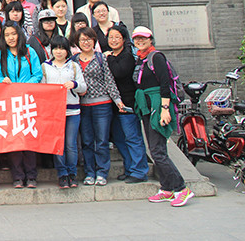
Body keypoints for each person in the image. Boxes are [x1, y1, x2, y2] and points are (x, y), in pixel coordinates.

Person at [131, 26, 193, 206]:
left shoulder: (156, 57)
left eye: (143, 38)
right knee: (156, 150)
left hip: (158, 105)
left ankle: (181, 188)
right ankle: (167, 189)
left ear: (151, 39)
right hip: (147, 106)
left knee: (157, 151)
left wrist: (165, 109)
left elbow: (165, 83)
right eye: (136, 38)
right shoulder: (141, 59)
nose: (140, 41)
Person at [72, 27, 125, 187]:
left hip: (102, 105)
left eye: (89, 39)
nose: (86, 42)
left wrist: (117, 100)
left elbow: (109, 81)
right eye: (82, 40)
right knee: (87, 141)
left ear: (94, 41)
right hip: (83, 106)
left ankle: (102, 172)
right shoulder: (73, 61)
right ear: (78, 42)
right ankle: (89, 173)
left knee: (101, 140)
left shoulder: (101, 58)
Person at [0, 22, 42, 188]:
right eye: (7, 35)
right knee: (14, 139)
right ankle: (17, 176)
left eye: (13, 34)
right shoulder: (0, 55)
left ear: (19, 35)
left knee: (28, 139)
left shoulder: (29, 52)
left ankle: (31, 176)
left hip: (28, 101)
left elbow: (37, 74)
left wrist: (24, 86)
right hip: (10, 102)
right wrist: (3, 80)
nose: (10, 38)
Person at [40, 35, 86, 189]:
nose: (58, 52)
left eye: (62, 49)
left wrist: (74, 84)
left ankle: (72, 173)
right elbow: (42, 89)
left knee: (71, 144)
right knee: (58, 144)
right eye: (55, 48)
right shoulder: (45, 66)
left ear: (67, 50)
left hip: (72, 110)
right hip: (54, 112)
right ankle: (62, 174)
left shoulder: (73, 66)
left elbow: (83, 87)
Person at [105, 25, 149, 184]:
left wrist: (109, 58)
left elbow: (119, 72)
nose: (113, 40)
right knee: (119, 139)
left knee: (133, 138)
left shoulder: (128, 56)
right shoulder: (111, 55)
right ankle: (130, 168)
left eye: (117, 37)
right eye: (111, 37)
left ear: (124, 39)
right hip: (114, 106)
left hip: (128, 104)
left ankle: (140, 171)